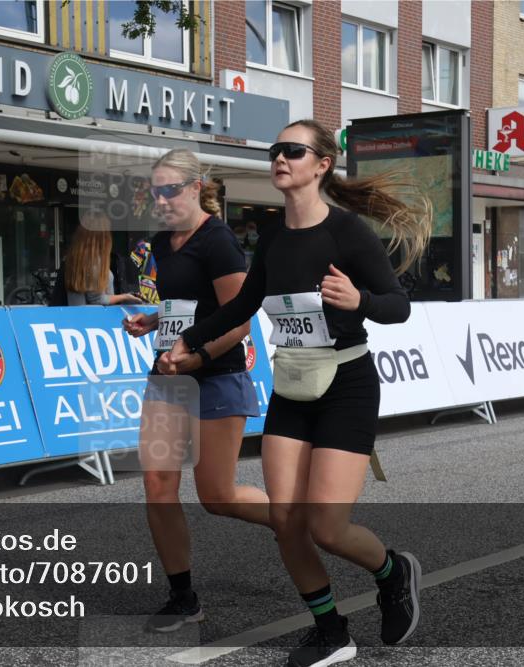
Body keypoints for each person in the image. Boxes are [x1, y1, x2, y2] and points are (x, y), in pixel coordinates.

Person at [166, 120, 433, 666]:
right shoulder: (272, 236)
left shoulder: (347, 233)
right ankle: (331, 630)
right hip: (292, 385)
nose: (280, 159)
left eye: (293, 150)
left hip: (346, 385)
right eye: (275, 150)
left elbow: (398, 306)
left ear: (321, 164)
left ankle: (393, 570)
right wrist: (188, 341)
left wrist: (358, 301)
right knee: (286, 521)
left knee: (326, 527)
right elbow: (241, 306)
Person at [121, 149, 270, 632]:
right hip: (167, 378)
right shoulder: (163, 244)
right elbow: (188, 306)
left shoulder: (219, 241)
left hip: (216, 377)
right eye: (153, 190)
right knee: (157, 485)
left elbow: (240, 321)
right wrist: (155, 319)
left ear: (194, 187)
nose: (160, 199)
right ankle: (183, 597)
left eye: (169, 190)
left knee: (218, 495)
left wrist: (198, 356)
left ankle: (301, 521)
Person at [57, 210, 144, 306]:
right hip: (95, 318)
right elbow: (98, 300)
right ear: (103, 236)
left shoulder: (73, 259)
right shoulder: (93, 262)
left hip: (76, 316)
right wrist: (125, 296)